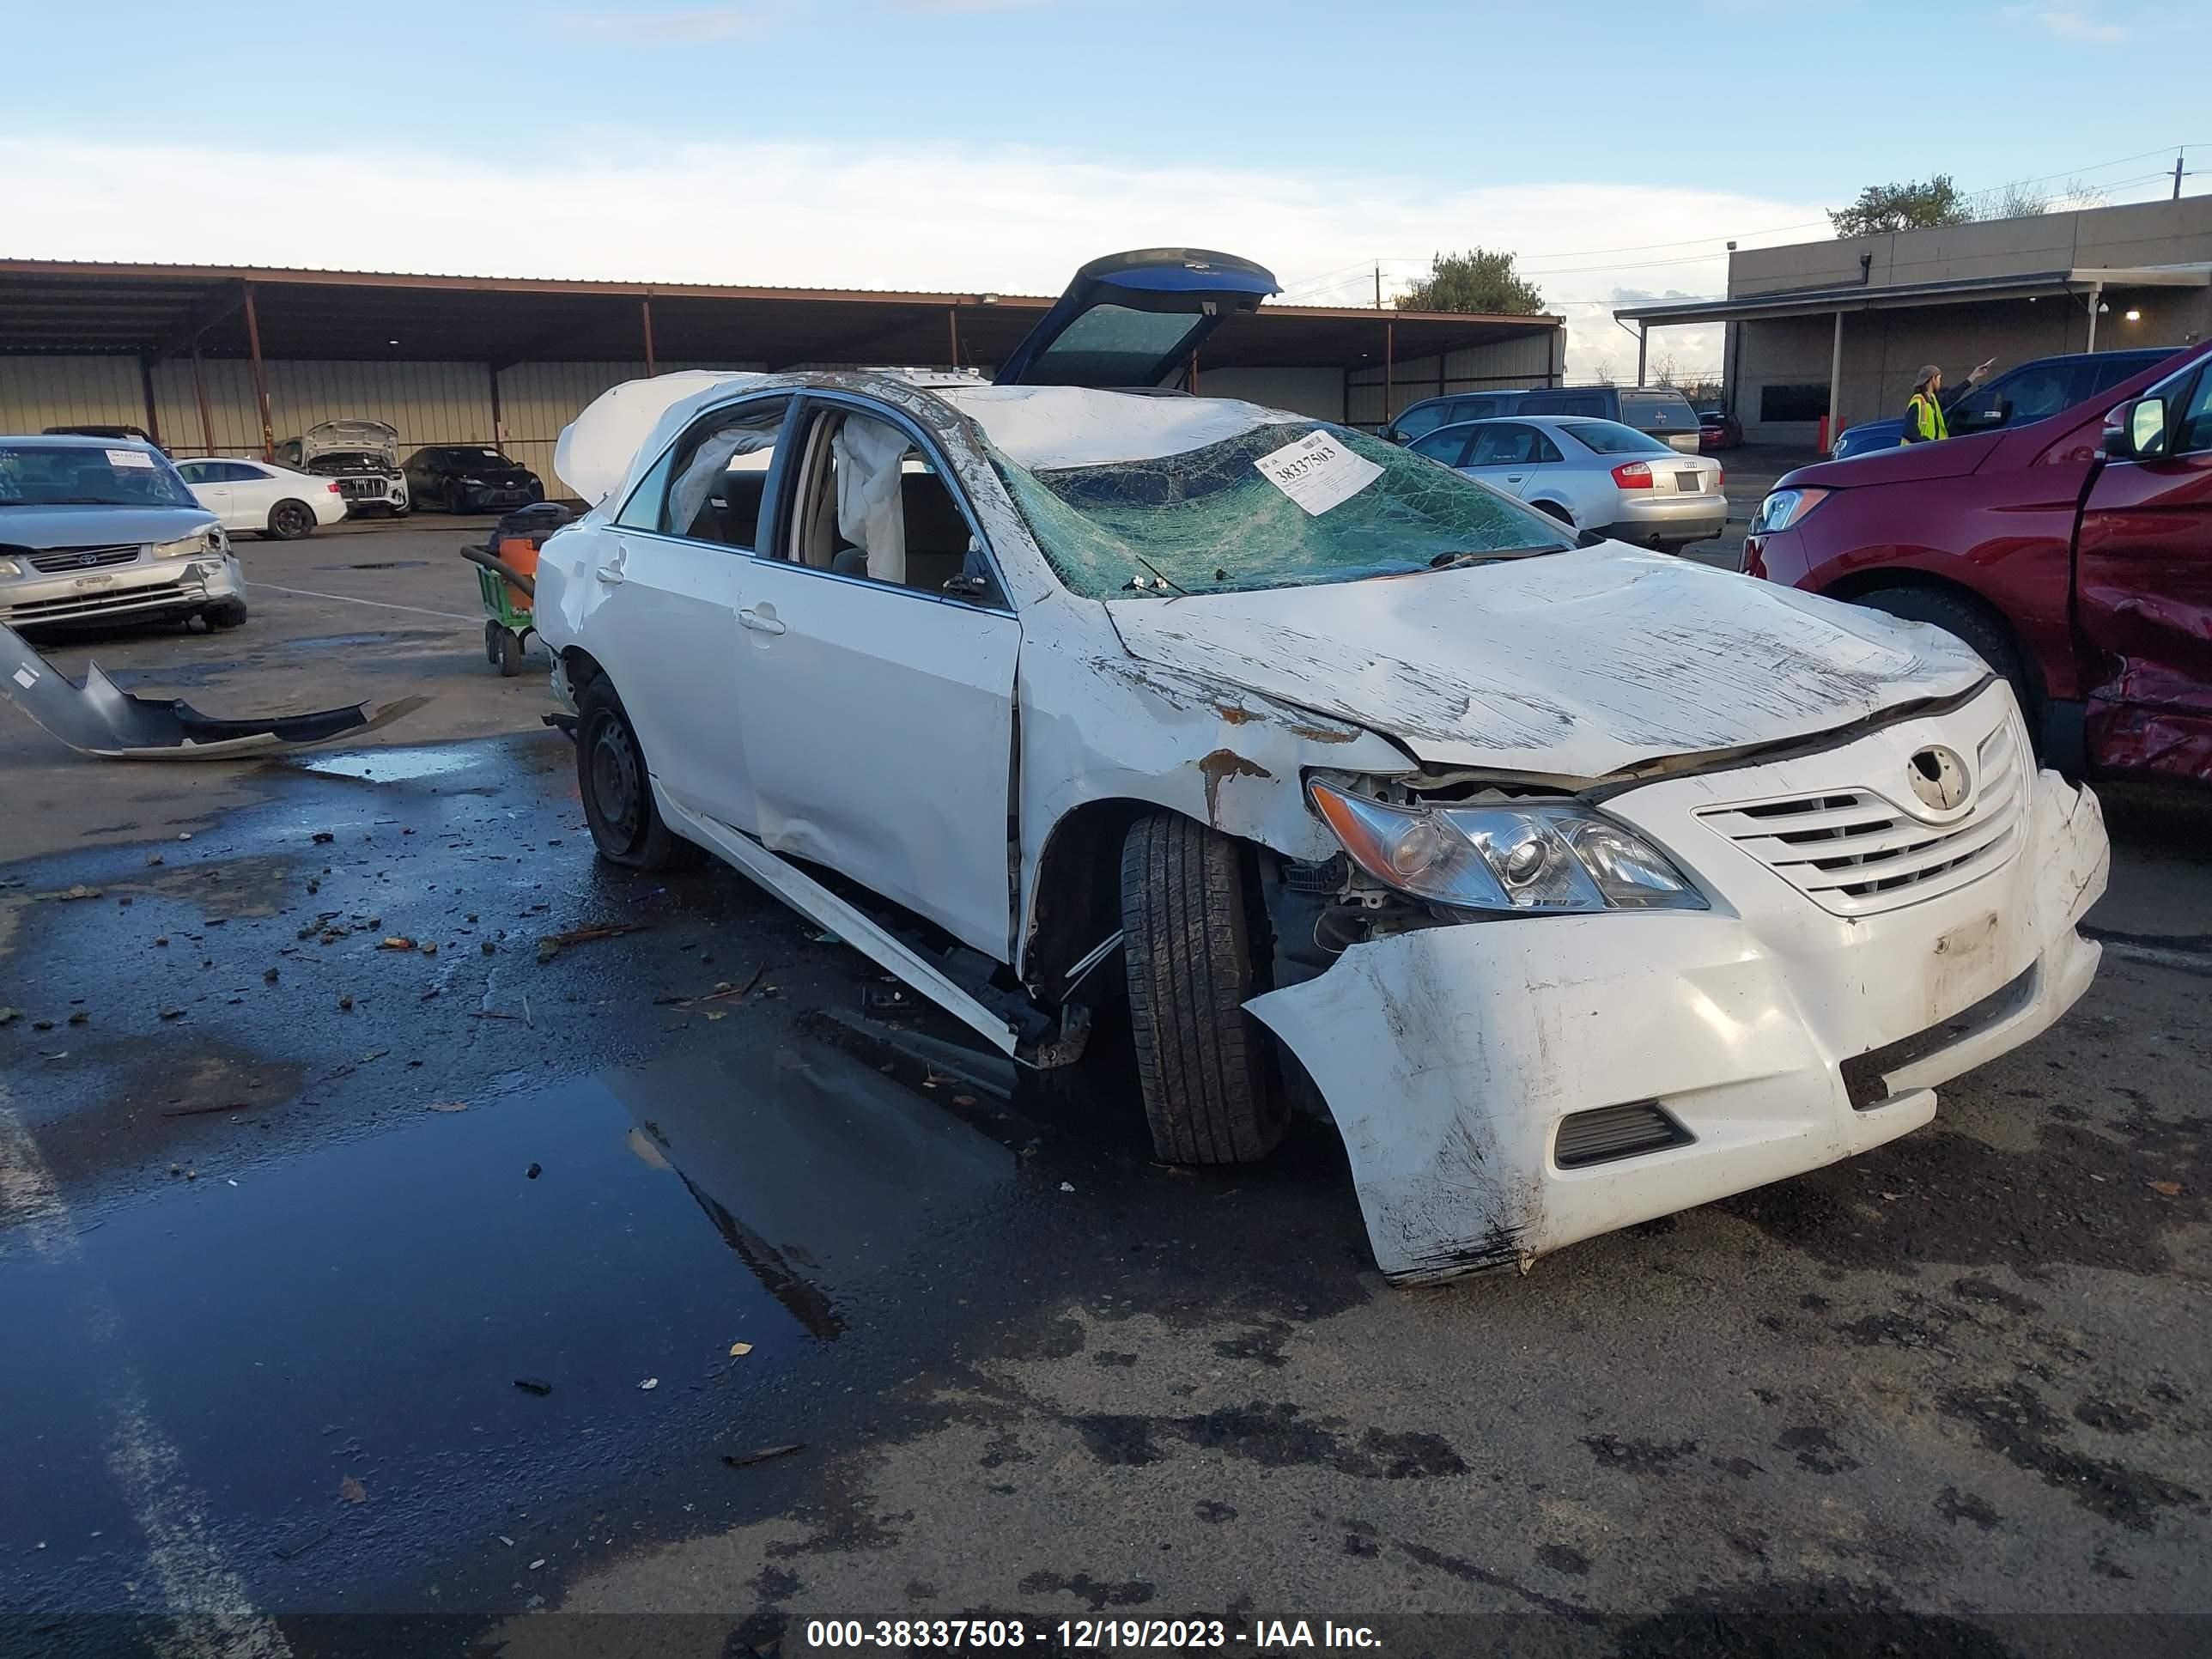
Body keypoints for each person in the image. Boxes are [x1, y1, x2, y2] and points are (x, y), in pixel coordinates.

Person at [1900, 359, 1996, 444]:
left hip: (1927, 452)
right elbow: (1909, 432)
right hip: (1917, 455)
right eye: (1938, 379)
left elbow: (1952, 396)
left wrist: (1973, 377)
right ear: (1932, 379)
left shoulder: (1933, 400)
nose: (1940, 382)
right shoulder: (1918, 402)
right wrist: (1929, 444)